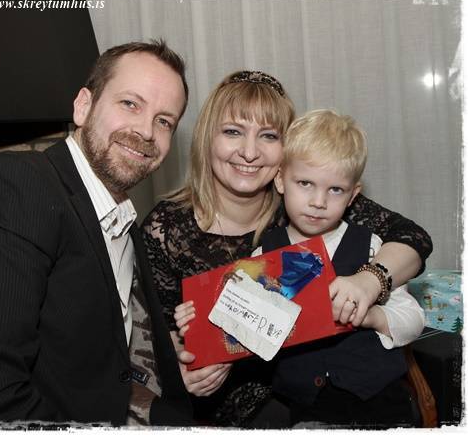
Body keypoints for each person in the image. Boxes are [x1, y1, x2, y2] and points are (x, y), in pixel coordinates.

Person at [142, 71, 432, 427]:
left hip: (342, 402)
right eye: (232, 131)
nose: (249, 152)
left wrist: (370, 282)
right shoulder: (168, 226)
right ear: (207, 137)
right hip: (258, 405)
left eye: (268, 135)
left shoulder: (313, 203)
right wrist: (189, 340)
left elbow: (413, 238)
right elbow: (154, 333)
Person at [0, 40, 193, 426]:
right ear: (83, 106)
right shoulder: (23, 184)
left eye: (164, 121)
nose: (146, 131)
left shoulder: (126, 223)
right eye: (130, 103)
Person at [251, 109, 425, 427]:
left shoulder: (372, 247)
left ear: (353, 195)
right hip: (304, 409)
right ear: (280, 180)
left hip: (381, 404)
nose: (319, 201)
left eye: (335, 190)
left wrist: (372, 316)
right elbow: (247, 332)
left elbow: (413, 319)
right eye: (305, 183)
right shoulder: (264, 254)